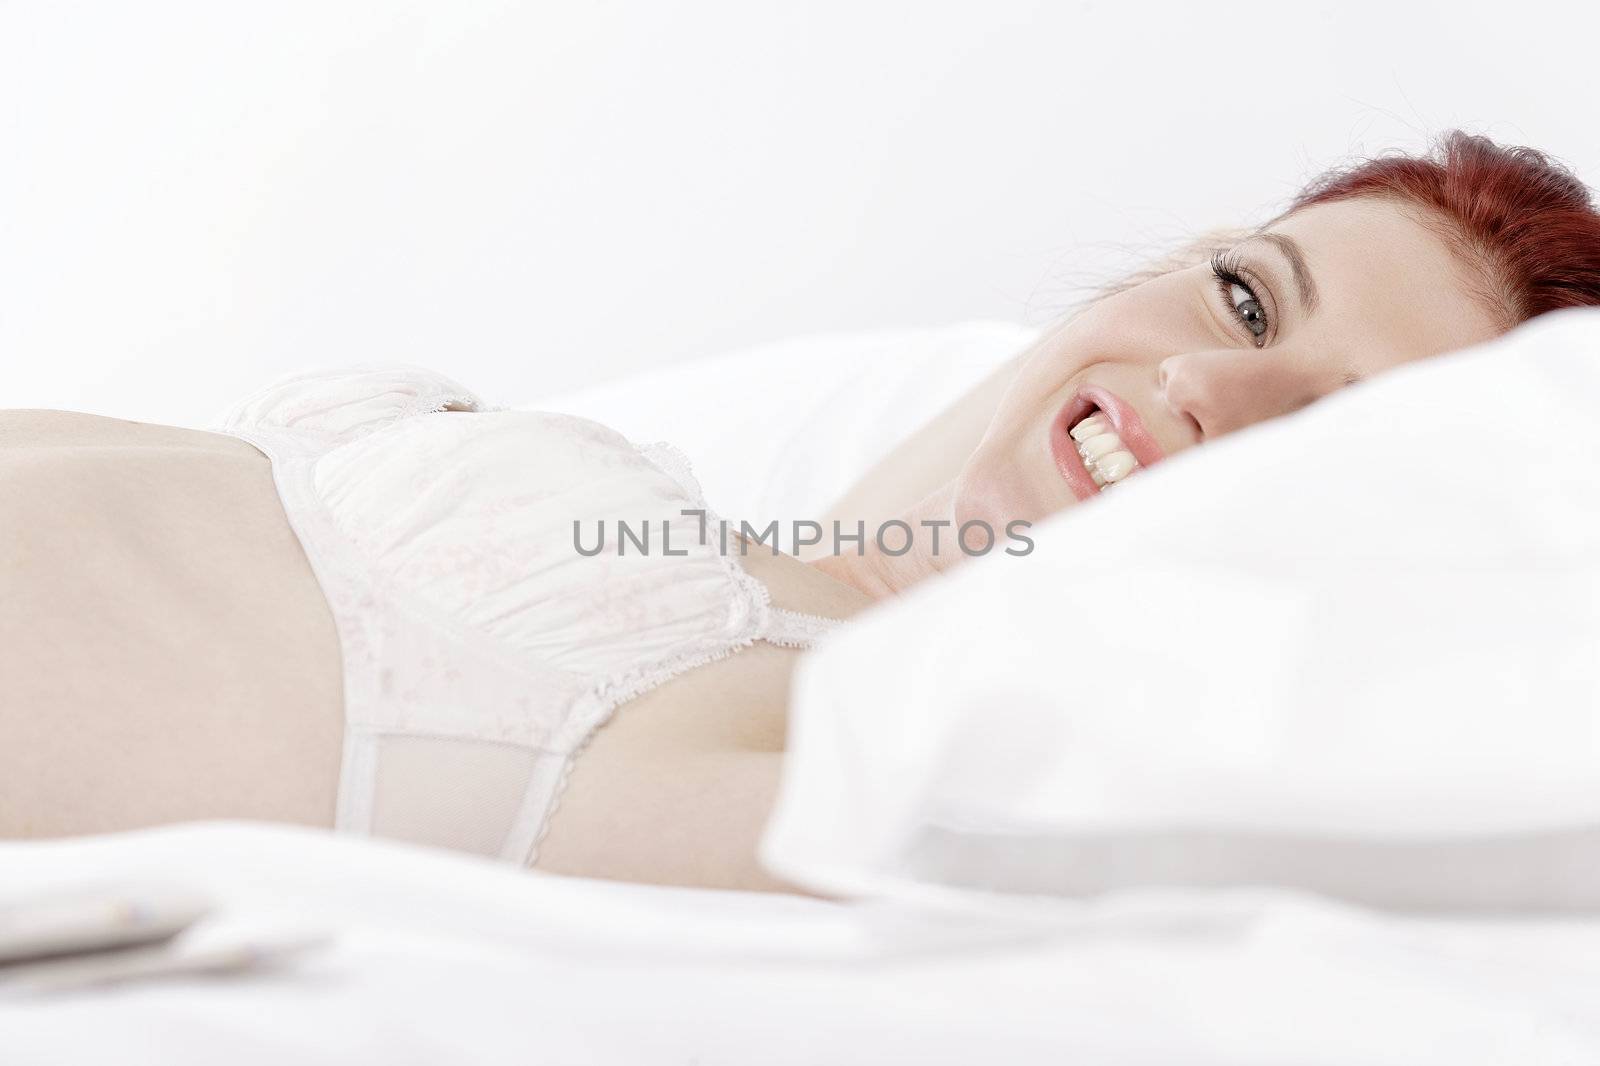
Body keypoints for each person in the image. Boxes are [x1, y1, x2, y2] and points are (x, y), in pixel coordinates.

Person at [4, 131, 1598, 893]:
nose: (1206, 385)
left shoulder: (857, 760)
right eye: (1248, 300)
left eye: (1327, 433)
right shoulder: (703, 519)